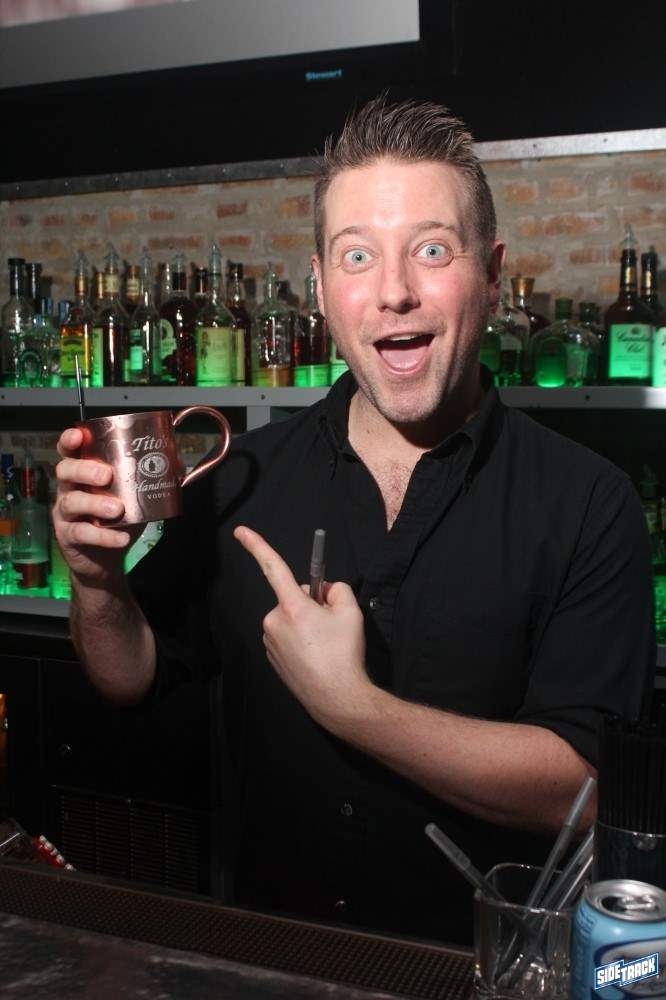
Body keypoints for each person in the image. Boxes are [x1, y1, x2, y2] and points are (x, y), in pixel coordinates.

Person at [53, 96, 655, 945]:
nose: (394, 292)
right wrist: (97, 585)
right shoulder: (240, 479)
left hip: (474, 972)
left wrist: (354, 707)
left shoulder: (589, 502)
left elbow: (583, 790)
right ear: (322, 288)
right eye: (358, 256)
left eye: (432, 250)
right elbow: (130, 677)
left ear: (492, 275)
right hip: (263, 961)